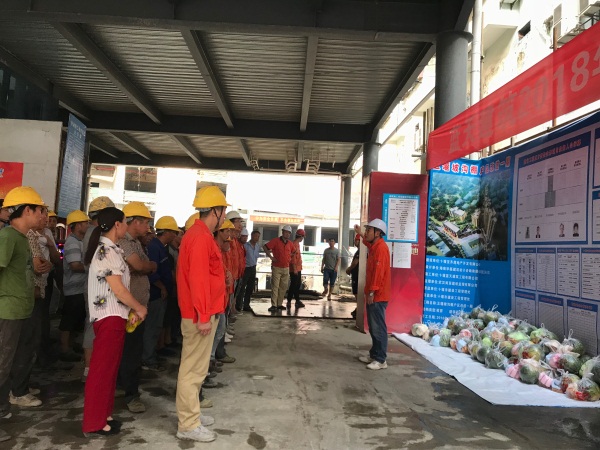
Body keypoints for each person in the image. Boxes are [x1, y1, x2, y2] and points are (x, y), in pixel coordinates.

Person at [82, 207, 147, 437]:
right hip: (108, 318)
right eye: (125, 221)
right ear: (117, 225)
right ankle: (94, 422)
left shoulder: (112, 249)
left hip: (115, 316)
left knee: (109, 370)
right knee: (102, 372)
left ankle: (104, 415)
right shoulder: (106, 251)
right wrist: (138, 307)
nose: (127, 226)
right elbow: (118, 289)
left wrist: (129, 309)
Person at [175, 186, 229, 443]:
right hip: (198, 316)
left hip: (203, 313)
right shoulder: (199, 237)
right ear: (215, 211)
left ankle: (192, 414)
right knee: (192, 371)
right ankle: (188, 424)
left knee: (197, 369)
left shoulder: (201, 235)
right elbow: (198, 280)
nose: (224, 215)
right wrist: (204, 316)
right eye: (223, 210)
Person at [0, 186, 47, 443]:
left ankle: (4, 407)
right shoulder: (8, 237)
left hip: (20, 310)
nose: (42, 215)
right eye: (40, 210)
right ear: (27, 210)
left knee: (8, 363)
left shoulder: (21, 238)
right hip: (8, 311)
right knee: (1, 364)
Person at [116, 202, 157, 413]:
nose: (148, 227)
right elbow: (140, 265)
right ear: (135, 222)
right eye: (146, 222)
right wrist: (146, 267)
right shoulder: (123, 242)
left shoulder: (137, 243)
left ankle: (123, 386)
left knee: (131, 350)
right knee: (131, 353)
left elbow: (146, 265)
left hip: (137, 308)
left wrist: (146, 266)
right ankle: (131, 395)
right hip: (128, 308)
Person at [81, 196, 116, 382]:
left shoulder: (91, 232)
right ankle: (90, 369)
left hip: (93, 286)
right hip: (99, 288)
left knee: (92, 325)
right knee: (95, 327)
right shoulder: (97, 234)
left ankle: (90, 369)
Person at [143, 216, 179, 371]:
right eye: (174, 233)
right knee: (152, 327)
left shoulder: (161, 247)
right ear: (168, 232)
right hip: (156, 294)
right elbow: (151, 272)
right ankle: (147, 359)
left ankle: (151, 355)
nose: (175, 236)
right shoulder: (154, 247)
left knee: (157, 326)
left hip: (161, 293)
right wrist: (162, 287)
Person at [355, 219, 391, 371]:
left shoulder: (381, 249)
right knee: (373, 326)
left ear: (377, 233)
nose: (367, 232)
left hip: (377, 295)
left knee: (378, 328)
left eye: (369, 230)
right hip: (374, 294)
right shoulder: (375, 246)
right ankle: (374, 355)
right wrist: (360, 233)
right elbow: (367, 243)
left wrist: (372, 292)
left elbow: (378, 273)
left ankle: (381, 360)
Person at [60, 210, 91, 362]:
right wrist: (92, 268)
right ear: (78, 225)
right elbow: (75, 265)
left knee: (75, 320)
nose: (87, 225)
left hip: (80, 288)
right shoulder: (72, 242)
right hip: (73, 290)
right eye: (85, 223)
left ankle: (71, 346)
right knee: (68, 321)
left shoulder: (80, 241)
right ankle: (65, 350)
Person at [263, 225, 294, 312]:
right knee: (275, 287)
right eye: (286, 232)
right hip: (276, 267)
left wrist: (289, 258)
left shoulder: (290, 244)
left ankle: (279, 304)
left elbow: (294, 251)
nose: (287, 234)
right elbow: (265, 247)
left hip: (286, 268)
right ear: (282, 232)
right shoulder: (275, 241)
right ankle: (274, 305)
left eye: (289, 233)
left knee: (283, 287)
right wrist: (271, 257)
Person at [240, 230, 261, 312]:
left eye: (258, 237)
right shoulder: (245, 245)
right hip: (246, 268)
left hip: (253, 268)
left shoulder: (257, 246)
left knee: (250, 287)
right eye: (255, 236)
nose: (257, 238)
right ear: (252, 236)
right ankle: (239, 305)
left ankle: (246, 305)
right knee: (242, 287)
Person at [287, 229, 305, 309]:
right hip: (294, 268)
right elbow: (293, 258)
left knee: (297, 285)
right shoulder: (294, 245)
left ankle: (297, 300)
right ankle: (289, 301)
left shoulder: (297, 244)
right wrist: (294, 269)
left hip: (298, 268)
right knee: (293, 285)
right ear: (301, 237)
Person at [234, 228, 249, 311]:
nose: (245, 238)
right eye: (243, 236)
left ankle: (234, 308)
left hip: (240, 273)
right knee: (234, 292)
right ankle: (233, 309)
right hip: (236, 273)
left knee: (237, 292)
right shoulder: (237, 245)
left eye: (246, 237)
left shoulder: (242, 247)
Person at [345, 235, 361, 319]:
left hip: (357, 275)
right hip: (357, 274)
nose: (355, 242)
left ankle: (359, 309)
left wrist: (349, 269)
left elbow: (355, 262)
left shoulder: (360, 251)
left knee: (357, 293)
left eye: (356, 240)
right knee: (356, 292)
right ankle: (358, 308)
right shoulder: (360, 251)